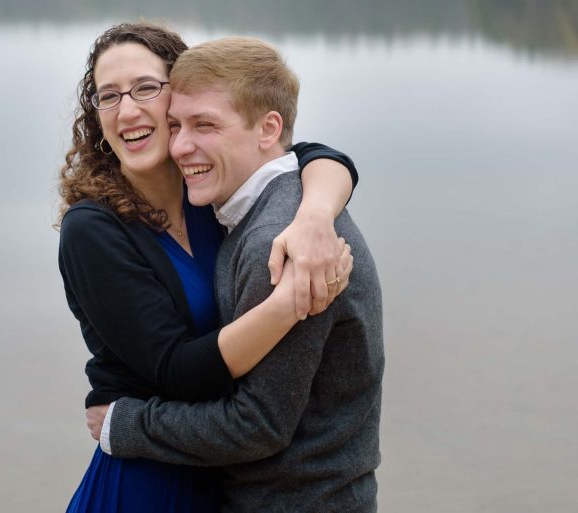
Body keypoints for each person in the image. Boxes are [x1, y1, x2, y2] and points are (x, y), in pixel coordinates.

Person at [58, 23, 359, 513]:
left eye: (145, 88)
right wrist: (289, 302)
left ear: (180, 95)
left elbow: (308, 155)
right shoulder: (92, 230)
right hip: (147, 479)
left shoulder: (207, 191)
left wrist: (315, 217)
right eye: (108, 96)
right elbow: (179, 372)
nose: (127, 109)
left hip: (224, 475)